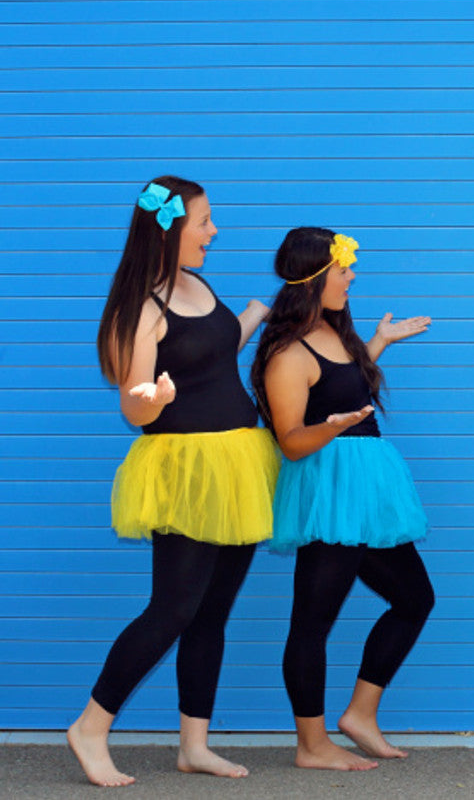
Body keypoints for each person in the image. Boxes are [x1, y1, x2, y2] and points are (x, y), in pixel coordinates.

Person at [67, 177, 277, 787]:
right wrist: (152, 401)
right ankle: (91, 727)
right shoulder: (144, 307)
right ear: (170, 229)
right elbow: (134, 405)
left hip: (238, 463)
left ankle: (194, 744)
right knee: (172, 609)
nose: (214, 231)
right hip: (187, 472)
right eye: (205, 222)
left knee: (212, 612)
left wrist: (246, 321)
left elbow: (208, 359)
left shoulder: (197, 283)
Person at [251, 227, 433, 772]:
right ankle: (311, 745)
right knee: (312, 622)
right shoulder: (288, 353)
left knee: (414, 599)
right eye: (342, 270)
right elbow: (291, 442)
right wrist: (334, 427)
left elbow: (345, 391)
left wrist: (378, 345)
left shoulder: (334, 331)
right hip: (331, 496)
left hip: (366, 497)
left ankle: (359, 715)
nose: (351, 277)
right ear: (312, 279)